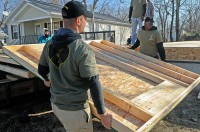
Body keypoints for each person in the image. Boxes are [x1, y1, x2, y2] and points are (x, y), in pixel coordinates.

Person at [38, 1, 112, 132]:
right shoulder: (82, 49)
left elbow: (42, 70)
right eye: (85, 19)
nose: (86, 22)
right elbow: (93, 83)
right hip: (75, 110)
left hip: (56, 104)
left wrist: (48, 79)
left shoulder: (49, 44)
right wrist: (102, 114)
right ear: (78, 20)